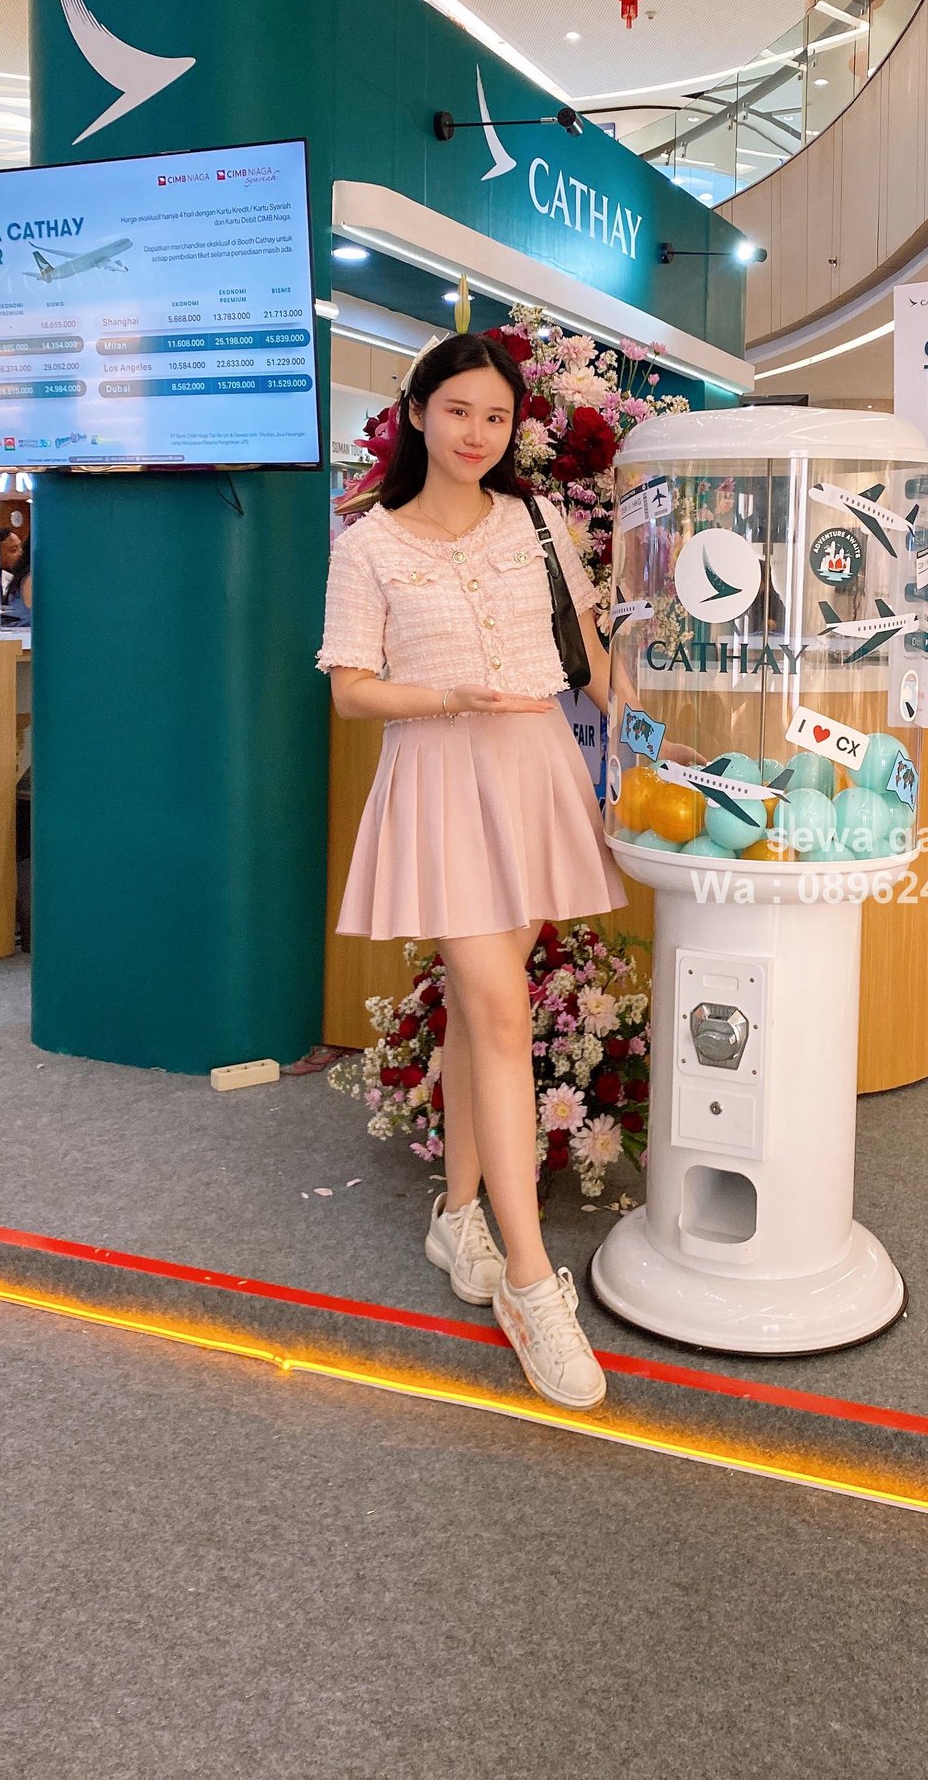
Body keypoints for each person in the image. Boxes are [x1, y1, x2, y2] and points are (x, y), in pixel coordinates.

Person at [317, 331, 625, 1412]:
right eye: (457, 411)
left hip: (534, 774)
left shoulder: (536, 523)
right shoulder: (367, 542)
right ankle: (533, 1287)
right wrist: (450, 696)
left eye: (496, 417)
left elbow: (590, 657)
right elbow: (350, 690)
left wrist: (644, 738)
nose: (476, 433)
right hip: (442, 779)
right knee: (498, 1009)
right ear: (416, 413)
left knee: (479, 1001)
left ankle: (457, 1217)